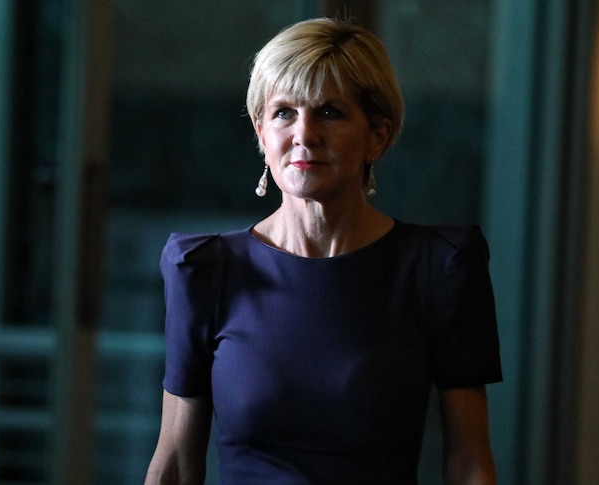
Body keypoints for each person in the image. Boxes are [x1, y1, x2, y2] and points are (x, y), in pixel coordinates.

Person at [144, 17, 502, 485]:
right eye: (284, 112)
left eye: (330, 112)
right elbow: (173, 464)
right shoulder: (204, 270)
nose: (304, 134)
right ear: (260, 132)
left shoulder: (441, 267)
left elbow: (471, 464)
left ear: (379, 135)